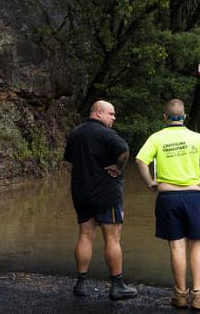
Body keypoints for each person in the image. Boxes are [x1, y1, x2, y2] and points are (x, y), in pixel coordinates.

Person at [135, 98, 200, 310]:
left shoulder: (157, 138)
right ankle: (199, 294)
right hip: (192, 196)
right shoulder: (196, 137)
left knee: (176, 245)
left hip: (167, 197)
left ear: (165, 117)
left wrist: (150, 182)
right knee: (197, 245)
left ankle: (180, 295)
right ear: (184, 117)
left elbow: (140, 160)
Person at [62, 100, 138, 300]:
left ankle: (81, 283)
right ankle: (117, 285)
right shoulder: (106, 134)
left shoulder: (75, 133)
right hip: (106, 193)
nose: (114, 118)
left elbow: (69, 162)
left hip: (81, 192)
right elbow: (124, 150)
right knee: (112, 237)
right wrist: (118, 168)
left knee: (85, 234)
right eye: (111, 114)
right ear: (98, 113)